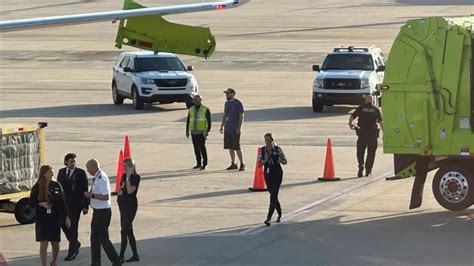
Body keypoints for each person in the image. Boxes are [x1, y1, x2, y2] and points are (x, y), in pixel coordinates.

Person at [29, 165, 71, 266]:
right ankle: (43, 264)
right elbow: (31, 203)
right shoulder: (37, 187)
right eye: (49, 172)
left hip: (54, 218)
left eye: (52, 172)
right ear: (43, 174)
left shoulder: (56, 185)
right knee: (44, 242)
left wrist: (67, 216)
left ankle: (54, 261)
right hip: (42, 218)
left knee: (55, 242)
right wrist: (41, 204)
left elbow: (63, 202)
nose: (52, 174)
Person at [84, 159, 122, 266]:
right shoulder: (97, 176)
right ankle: (95, 262)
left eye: (88, 168)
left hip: (102, 213)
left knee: (103, 238)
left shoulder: (101, 178)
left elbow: (106, 196)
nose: (88, 171)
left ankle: (116, 261)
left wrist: (91, 195)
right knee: (94, 238)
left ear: (94, 166)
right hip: (97, 211)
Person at [57, 153, 89, 261]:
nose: (73, 163)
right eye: (71, 161)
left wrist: (86, 206)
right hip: (63, 205)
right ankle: (75, 242)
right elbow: (59, 188)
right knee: (62, 224)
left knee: (73, 227)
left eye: (74, 161)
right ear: (66, 162)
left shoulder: (80, 173)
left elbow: (85, 189)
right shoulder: (61, 172)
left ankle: (72, 252)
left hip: (76, 205)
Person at [348, 95, 384, 177]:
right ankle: (368, 170)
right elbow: (381, 122)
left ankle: (361, 165)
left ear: (365, 101)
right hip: (372, 134)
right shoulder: (375, 110)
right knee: (371, 152)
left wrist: (350, 124)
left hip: (362, 133)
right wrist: (384, 133)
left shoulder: (361, 108)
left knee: (360, 151)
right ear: (372, 101)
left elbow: (352, 117)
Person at [258, 133, 287, 226]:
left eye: (268, 140)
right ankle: (279, 213)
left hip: (277, 173)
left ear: (272, 140)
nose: (267, 142)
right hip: (267, 174)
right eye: (265, 140)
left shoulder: (277, 149)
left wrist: (281, 161)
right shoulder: (262, 150)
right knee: (273, 195)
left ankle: (268, 218)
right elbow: (259, 165)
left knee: (273, 195)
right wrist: (265, 160)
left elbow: (285, 161)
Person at [117, 158, 141, 263]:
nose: (124, 168)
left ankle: (121, 255)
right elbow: (122, 189)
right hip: (123, 205)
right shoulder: (123, 176)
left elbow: (130, 191)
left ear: (132, 167)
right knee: (128, 231)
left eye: (126, 166)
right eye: (124, 166)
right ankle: (135, 254)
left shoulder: (135, 177)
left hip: (130, 205)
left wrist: (128, 178)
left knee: (124, 230)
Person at [219, 88, 246, 171]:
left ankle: (242, 163)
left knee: (237, 147)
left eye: (228, 93)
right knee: (230, 147)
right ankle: (233, 163)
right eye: (226, 93)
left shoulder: (238, 103)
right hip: (228, 129)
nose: (227, 95)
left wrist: (239, 128)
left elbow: (241, 116)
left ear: (233, 94)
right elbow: (225, 115)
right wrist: (222, 126)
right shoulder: (227, 103)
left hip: (235, 129)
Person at [186, 95, 212, 170]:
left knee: (202, 148)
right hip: (193, 131)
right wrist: (187, 130)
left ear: (200, 100)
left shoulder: (205, 109)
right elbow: (188, 120)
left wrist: (207, 131)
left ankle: (205, 164)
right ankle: (198, 163)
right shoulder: (191, 109)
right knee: (196, 148)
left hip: (201, 132)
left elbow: (209, 122)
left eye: (197, 100)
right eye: (195, 100)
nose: (196, 102)